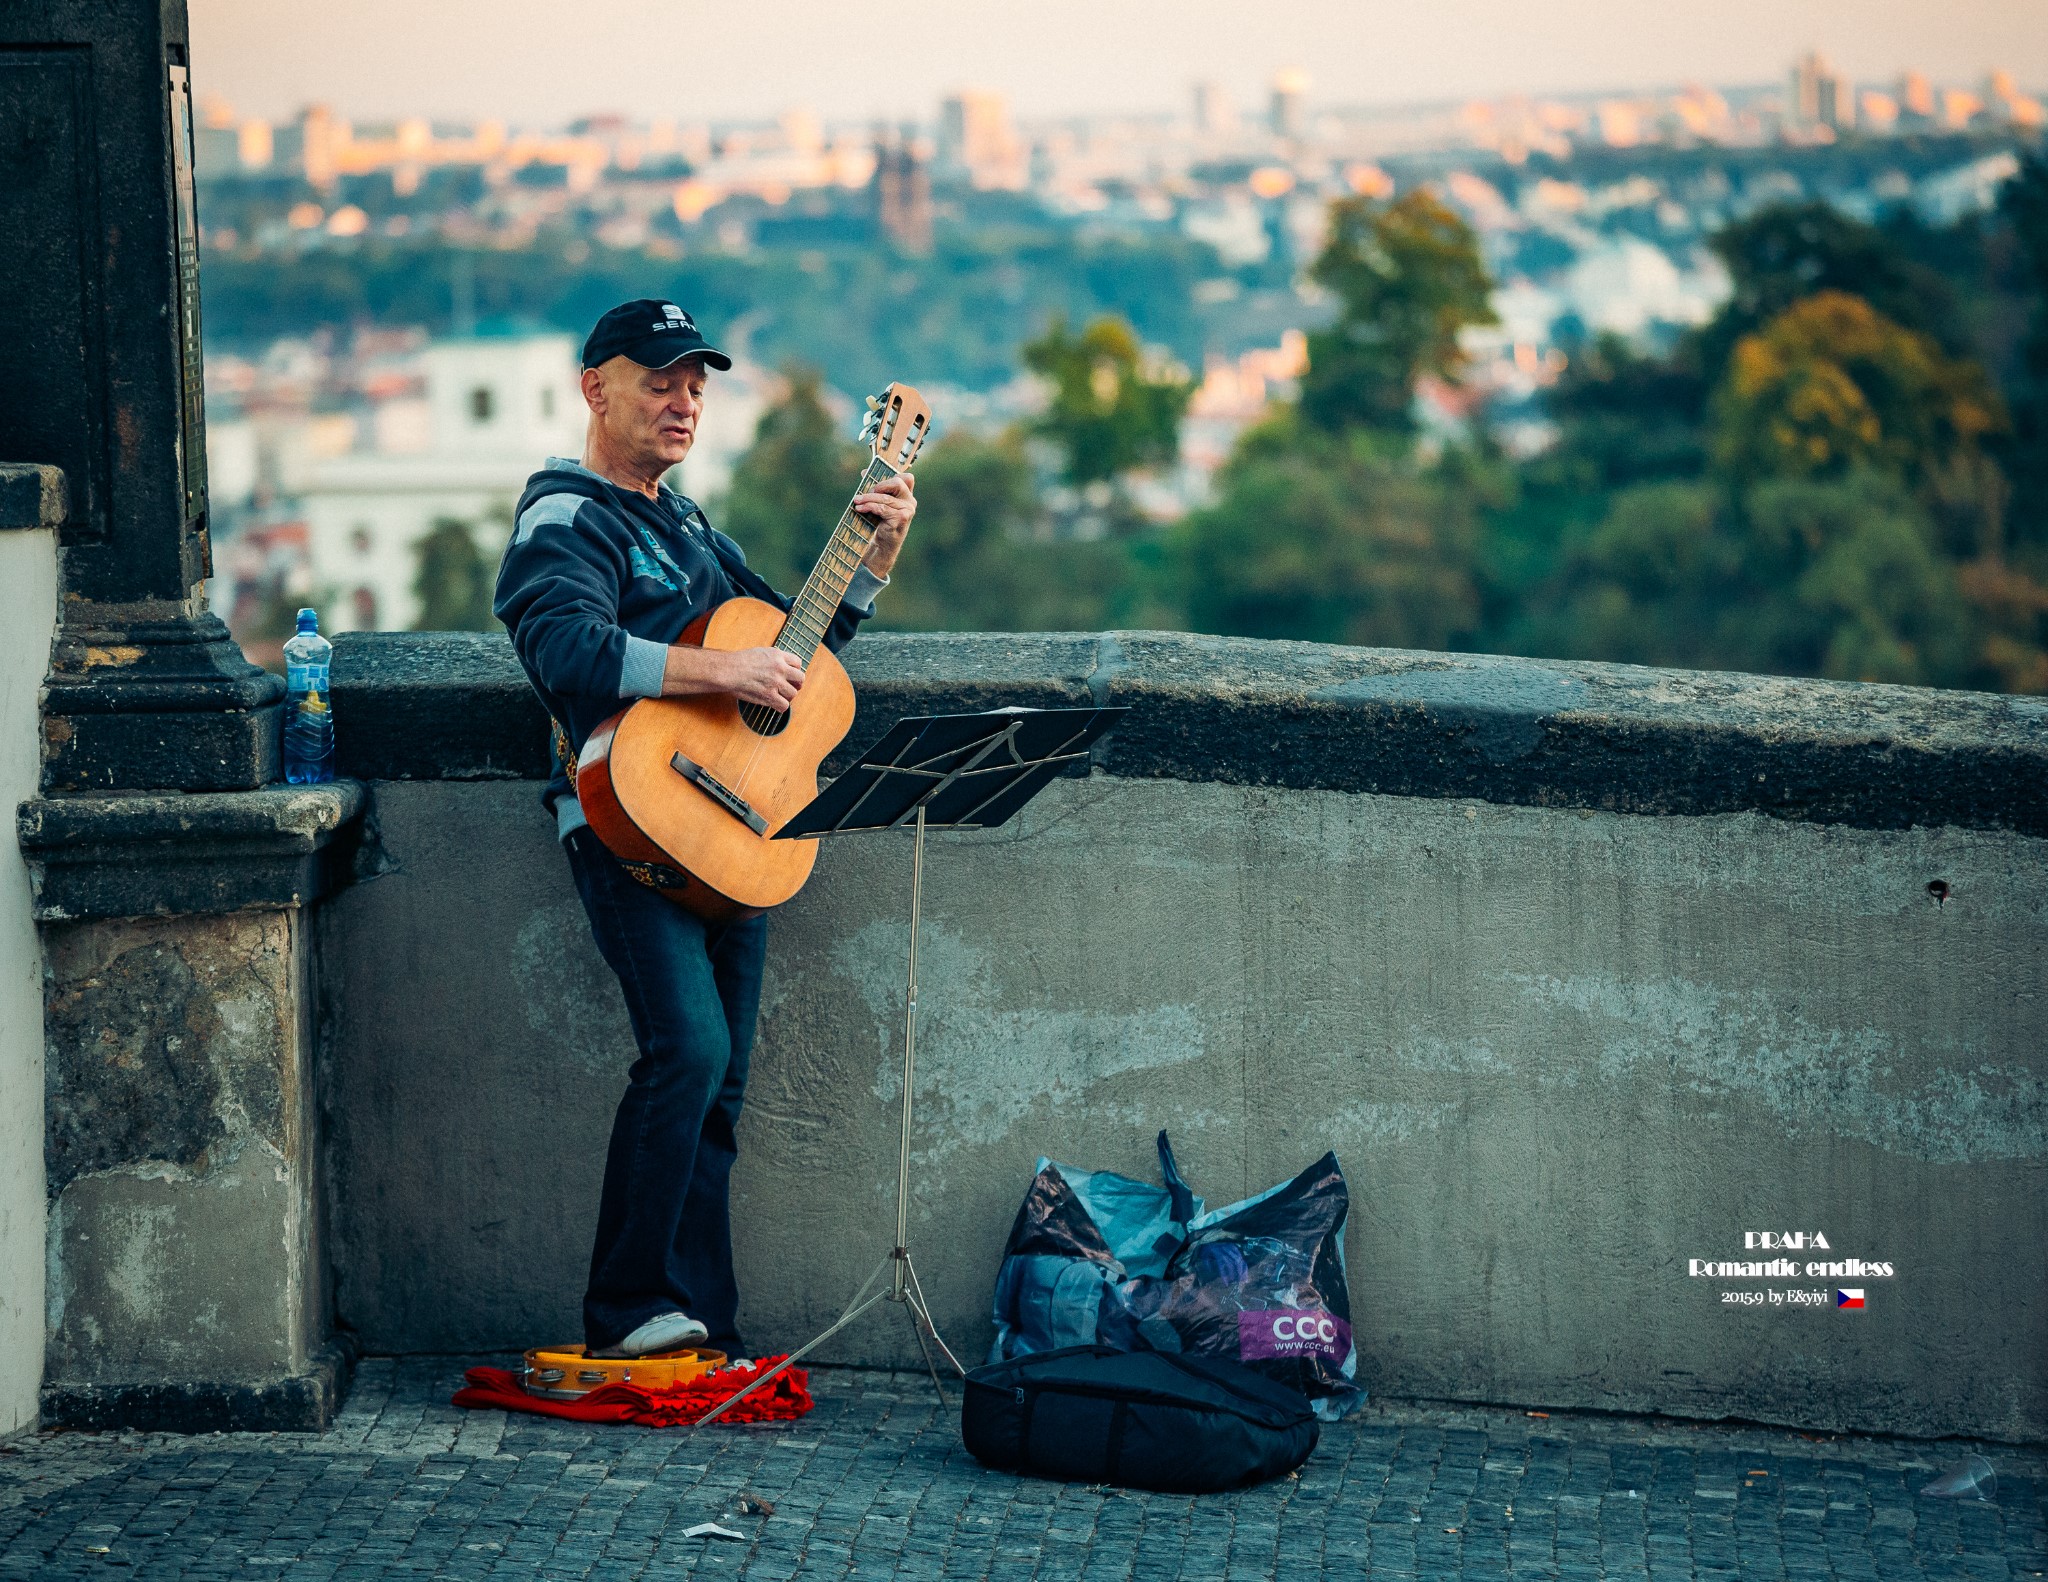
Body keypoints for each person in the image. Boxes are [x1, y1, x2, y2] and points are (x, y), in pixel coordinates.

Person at [493, 300, 916, 1359]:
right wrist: (719, 668)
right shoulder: (564, 518)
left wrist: (870, 558)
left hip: (731, 829)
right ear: (596, 387)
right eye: (658, 379)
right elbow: (568, 654)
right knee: (684, 1049)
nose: (682, 401)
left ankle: (698, 1324)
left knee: (721, 1081)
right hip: (628, 819)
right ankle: (624, 1308)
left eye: (696, 384)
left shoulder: (684, 523)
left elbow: (797, 655)